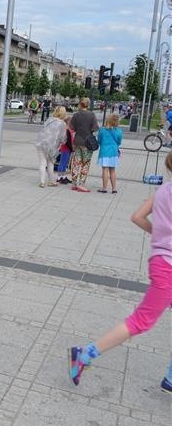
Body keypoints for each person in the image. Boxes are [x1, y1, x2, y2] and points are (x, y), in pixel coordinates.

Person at [69, 152, 172, 393]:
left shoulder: (163, 191)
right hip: (169, 267)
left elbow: (137, 217)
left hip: (160, 260)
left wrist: (161, 237)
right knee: (141, 321)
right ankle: (84, 354)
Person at [69, 97, 99, 193]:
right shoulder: (92, 115)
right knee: (85, 163)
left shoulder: (76, 115)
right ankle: (81, 184)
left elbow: (71, 127)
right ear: (88, 104)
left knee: (76, 162)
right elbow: (95, 128)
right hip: (88, 143)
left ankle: (74, 183)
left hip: (77, 141)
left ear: (80, 104)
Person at [34, 106, 67, 187]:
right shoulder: (62, 123)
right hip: (52, 146)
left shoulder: (49, 119)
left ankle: (42, 182)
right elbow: (63, 138)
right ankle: (51, 181)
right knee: (50, 163)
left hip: (41, 142)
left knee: (42, 163)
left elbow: (44, 129)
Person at [96, 113, 123, 194]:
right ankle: (114, 189)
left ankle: (104, 188)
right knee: (113, 170)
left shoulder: (102, 130)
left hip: (104, 151)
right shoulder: (118, 131)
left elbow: (99, 140)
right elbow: (119, 142)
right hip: (114, 152)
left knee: (105, 169)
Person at [56, 117, 74, 184]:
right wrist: (72, 149)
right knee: (62, 163)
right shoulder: (66, 130)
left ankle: (63, 176)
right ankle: (59, 177)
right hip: (66, 149)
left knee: (65, 163)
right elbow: (67, 142)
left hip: (68, 149)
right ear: (68, 123)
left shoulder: (69, 129)